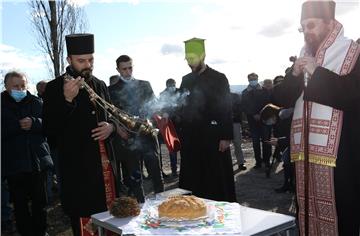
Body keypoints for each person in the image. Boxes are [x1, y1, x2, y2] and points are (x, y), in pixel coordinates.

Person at [272, 1, 360, 235]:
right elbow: (282, 98)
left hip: (342, 157)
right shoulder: (303, 56)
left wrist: (317, 73)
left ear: (330, 23)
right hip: (305, 157)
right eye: (302, 27)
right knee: (307, 213)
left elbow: (354, 95)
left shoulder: (353, 52)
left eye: (311, 25)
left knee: (342, 213)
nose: (306, 32)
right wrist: (294, 74)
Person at [42, 34, 119, 236]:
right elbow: (49, 130)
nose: (87, 65)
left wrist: (111, 127)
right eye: (81, 60)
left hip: (106, 168)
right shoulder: (54, 88)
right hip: (79, 172)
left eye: (91, 59)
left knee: (112, 222)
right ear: (69, 60)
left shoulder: (100, 84)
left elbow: (113, 116)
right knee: (86, 225)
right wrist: (67, 99)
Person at [178, 38, 236, 202]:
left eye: (193, 58)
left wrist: (225, 136)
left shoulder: (219, 78)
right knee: (193, 179)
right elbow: (182, 105)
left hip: (213, 137)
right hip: (191, 138)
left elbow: (226, 107)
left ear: (202, 55)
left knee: (215, 178)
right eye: (187, 59)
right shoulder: (186, 80)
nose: (190, 63)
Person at [2, 71, 53, 236]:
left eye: (22, 85)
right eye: (15, 86)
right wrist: (17, 126)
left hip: (37, 161)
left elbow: (51, 125)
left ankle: (41, 231)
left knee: (40, 202)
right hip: (14, 163)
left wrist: (35, 123)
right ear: (7, 87)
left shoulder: (37, 102)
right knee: (20, 204)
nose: (20, 89)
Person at [108, 55, 164, 203]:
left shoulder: (145, 85)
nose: (128, 72)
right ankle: (140, 205)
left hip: (147, 136)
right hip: (129, 139)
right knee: (135, 176)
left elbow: (153, 106)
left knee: (156, 172)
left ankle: (163, 205)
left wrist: (152, 117)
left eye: (130, 67)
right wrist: (119, 129)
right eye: (124, 69)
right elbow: (111, 115)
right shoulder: (111, 90)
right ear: (118, 69)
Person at [241, 73, 272, 169]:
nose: (253, 80)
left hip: (264, 120)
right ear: (248, 80)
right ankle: (258, 162)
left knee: (266, 141)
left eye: (254, 78)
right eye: (251, 79)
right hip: (252, 121)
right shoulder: (245, 92)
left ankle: (267, 161)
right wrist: (253, 114)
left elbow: (268, 104)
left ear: (258, 79)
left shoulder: (264, 91)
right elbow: (244, 106)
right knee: (255, 142)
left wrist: (261, 114)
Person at [158, 78, 180, 177]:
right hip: (169, 125)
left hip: (180, 124)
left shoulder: (180, 92)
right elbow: (161, 108)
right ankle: (174, 170)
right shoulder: (163, 95)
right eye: (170, 85)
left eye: (173, 85)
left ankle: (183, 169)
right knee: (172, 149)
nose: (172, 87)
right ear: (166, 86)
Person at [230, 92, 246, 171]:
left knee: (237, 143)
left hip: (234, 122)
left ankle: (240, 162)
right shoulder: (216, 97)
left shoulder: (234, 96)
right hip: (222, 124)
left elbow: (240, 108)